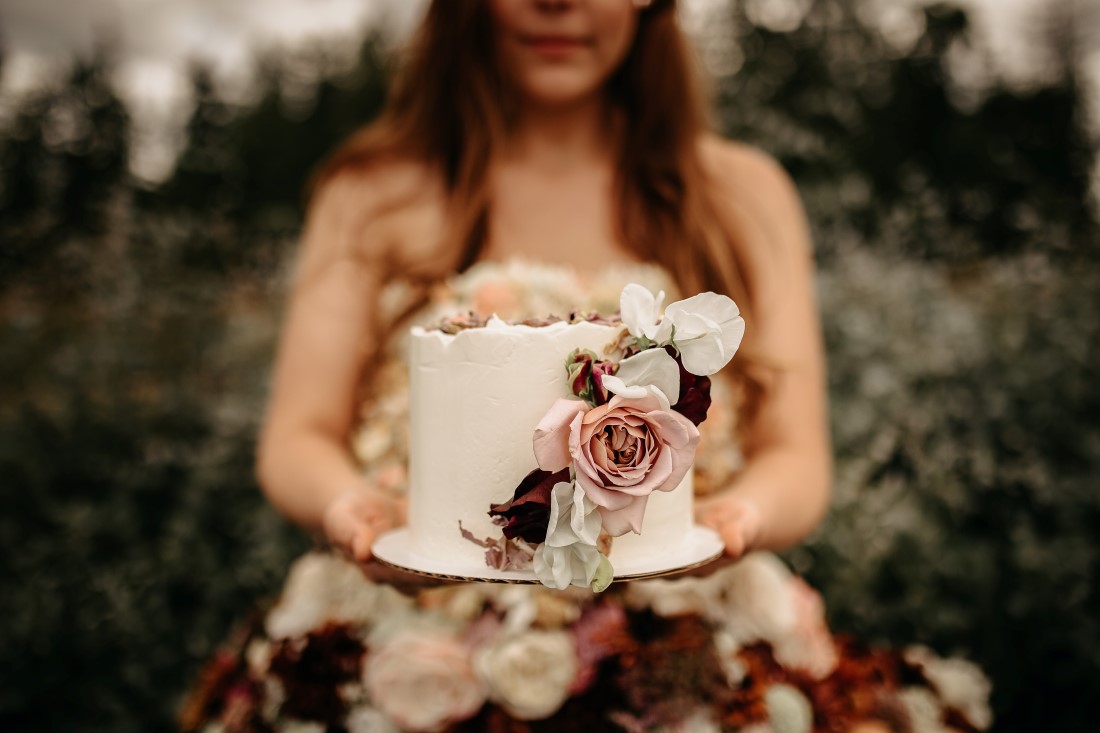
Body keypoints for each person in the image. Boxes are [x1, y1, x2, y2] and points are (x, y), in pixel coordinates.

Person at [183, 2, 992, 732]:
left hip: (683, 643)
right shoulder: (372, 194)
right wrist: (352, 507)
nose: (557, 3)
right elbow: (298, 434)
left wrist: (739, 516)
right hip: (411, 642)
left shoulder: (741, 195)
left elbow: (797, 455)